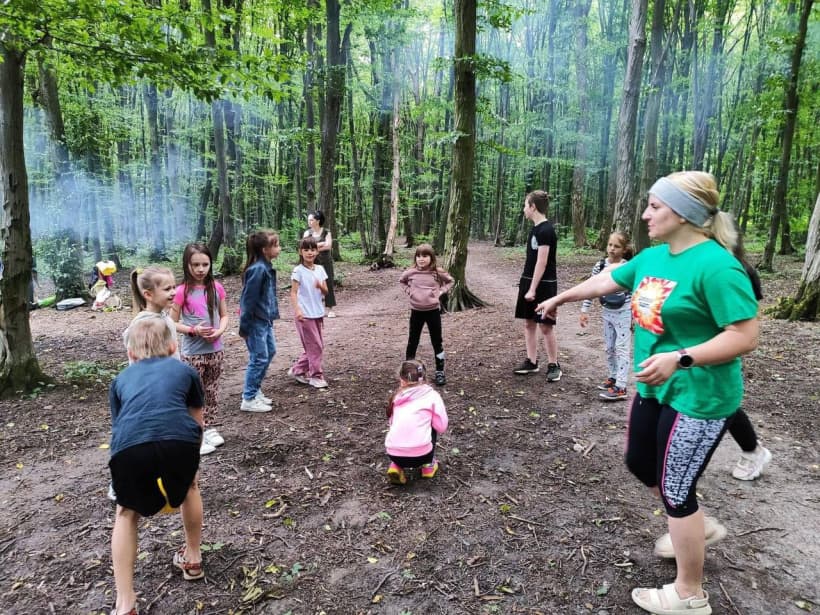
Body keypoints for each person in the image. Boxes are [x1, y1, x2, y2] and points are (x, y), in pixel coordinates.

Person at [536, 171, 758, 615]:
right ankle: (696, 525)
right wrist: (558, 299)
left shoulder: (717, 266)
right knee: (641, 463)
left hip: (700, 395)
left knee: (676, 490)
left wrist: (682, 357)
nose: (645, 214)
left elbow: (745, 335)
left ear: (685, 213)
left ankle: (689, 595)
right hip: (656, 388)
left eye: (655, 206)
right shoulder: (656, 257)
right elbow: (607, 282)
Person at [108, 316, 206, 615]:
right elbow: (197, 421)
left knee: (125, 512)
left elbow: (120, 427)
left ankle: (125, 602)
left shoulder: (120, 380)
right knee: (190, 488)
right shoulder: (186, 371)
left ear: (130, 354)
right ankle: (192, 558)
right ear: (174, 346)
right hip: (180, 440)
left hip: (129, 448)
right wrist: (190, 468)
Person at [170, 244, 229, 455]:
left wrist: (220, 330)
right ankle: (196, 433)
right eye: (196, 264)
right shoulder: (181, 291)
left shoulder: (216, 287)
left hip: (215, 350)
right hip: (193, 353)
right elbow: (172, 322)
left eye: (205, 264)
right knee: (194, 393)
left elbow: (224, 315)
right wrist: (193, 330)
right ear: (187, 265)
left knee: (211, 390)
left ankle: (210, 426)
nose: (201, 269)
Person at [724, 233, 772, 480]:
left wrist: (733, 338)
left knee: (723, 402)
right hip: (693, 345)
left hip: (723, 345)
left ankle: (753, 450)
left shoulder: (741, 270)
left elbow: (751, 313)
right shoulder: (697, 263)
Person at [579, 232, 633, 401]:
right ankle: (613, 376)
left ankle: (621, 386)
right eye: (610, 245)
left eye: (616, 246)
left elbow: (633, 291)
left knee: (622, 348)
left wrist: (633, 315)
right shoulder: (600, 265)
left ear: (624, 250)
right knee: (609, 347)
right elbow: (592, 288)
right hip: (607, 311)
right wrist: (584, 310)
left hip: (624, 311)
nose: (612, 249)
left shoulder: (628, 267)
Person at [513, 190, 561, 382]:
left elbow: (542, 262)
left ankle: (553, 364)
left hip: (544, 284)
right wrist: (527, 285)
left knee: (546, 325)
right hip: (528, 280)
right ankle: (532, 361)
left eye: (526, 205)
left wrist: (533, 289)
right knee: (529, 322)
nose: (524, 209)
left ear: (533, 207)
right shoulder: (535, 229)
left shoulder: (546, 230)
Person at [384, 360, 449, 485]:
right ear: (424, 378)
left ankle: (396, 466)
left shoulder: (397, 397)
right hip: (422, 454)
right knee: (432, 424)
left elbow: (391, 423)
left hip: (393, 453)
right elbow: (441, 427)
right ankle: (428, 466)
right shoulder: (432, 396)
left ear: (401, 380)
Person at [399, 244, 454, 386]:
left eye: (425, 256)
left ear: (431, 258)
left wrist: (441, 292)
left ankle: (440, 371)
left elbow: (450, 281)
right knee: (413, 341)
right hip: (416, 312)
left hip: (433, 312)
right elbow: (402, 281)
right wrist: (409, 291)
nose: (421, 259)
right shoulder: (411, 272)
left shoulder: (437, 272)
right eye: (418, 256)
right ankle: (408, 372)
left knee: (437, 342)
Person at [238, 231, 281, 413]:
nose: (279, 248)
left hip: (265, 320)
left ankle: (255, 391)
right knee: (259, 357)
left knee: (270, 352)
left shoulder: (266, 267)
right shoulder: (258, 270)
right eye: (276, 245)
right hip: (255, 322)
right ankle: (248, 398)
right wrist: (245, 326)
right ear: (265, 249)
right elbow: (248, 301)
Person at [288, 236, 329, 389]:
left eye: (312, 249)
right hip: (304, 315)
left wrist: (320, 286)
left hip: (317, 312)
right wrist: (297, 309)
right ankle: (316, 376)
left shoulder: (320, 269)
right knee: (315, 346)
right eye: (306, 250)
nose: (310, 253)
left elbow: (326, 291)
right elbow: (293, 292)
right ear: (300, 252)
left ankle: (298, 370)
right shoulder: (298, 270)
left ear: (317, 252)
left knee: (315, 346)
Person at [125, 266, 180, 362]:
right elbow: (137, 362)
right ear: (148, 294)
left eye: (174, 287)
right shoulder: (142, 324)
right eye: (167, 289)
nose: (174, 292)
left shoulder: (166, 318)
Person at [304, 210, 337, 317]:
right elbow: (304, 247)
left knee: (328, 283)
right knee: (312, 284)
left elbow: (328, 246)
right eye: (308, 220)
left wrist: (313, 246)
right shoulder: (307, 233)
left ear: (317, 221)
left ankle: (330, 309)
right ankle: (314, 309)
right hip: (311, 262)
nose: (309, 222)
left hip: (326, 261)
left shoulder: (327, 232)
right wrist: (320, 244)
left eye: (311, 220)